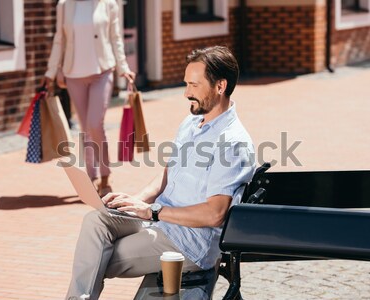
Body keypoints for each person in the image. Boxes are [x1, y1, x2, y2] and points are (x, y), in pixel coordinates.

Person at [65, 46, 255, 300]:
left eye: (194, 85)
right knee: (96, 221)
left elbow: (215, 213)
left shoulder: (232, 143)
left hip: (188, 242)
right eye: (186, 84)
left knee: (95, 257)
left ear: (220, 86)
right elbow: (168, 173)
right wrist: (135, 201)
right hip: (159, 220)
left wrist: (152, 211)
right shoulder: (192, 122)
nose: (187, 93)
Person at [44, 0, 135, 197]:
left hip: (102, 71)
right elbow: (60, 39)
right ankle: (91, 177)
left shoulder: (109, 4)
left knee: (95, 123)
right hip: (73, 75)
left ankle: (105, 175)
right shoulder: (64, 5)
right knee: (85, 128)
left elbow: (115, 38)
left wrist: (124, 67)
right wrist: (51, 72)